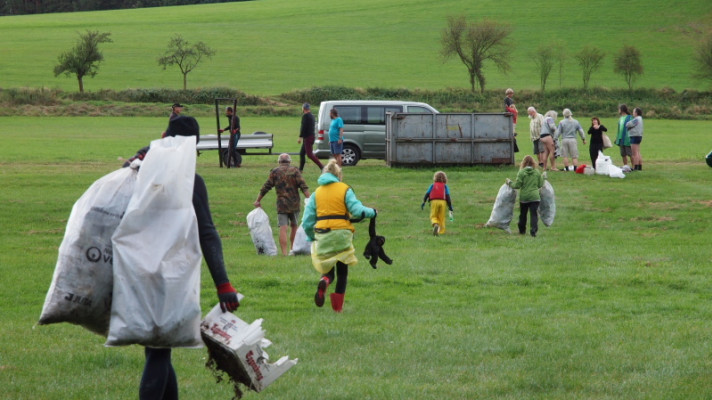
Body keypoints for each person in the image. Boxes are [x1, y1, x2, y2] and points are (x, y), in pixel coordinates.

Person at [124, 115, 241, 400]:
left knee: (158, 349)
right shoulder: (191, 183)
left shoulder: (135, 173)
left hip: (134, 274)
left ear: (163, 135)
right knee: (159, 352)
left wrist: (142, 155)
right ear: (194, 147)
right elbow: (208, 234)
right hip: (171, 279)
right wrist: (223, 284)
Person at [301, 159, 376, 312]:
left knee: (328, 270)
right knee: (342, 273)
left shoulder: (317, 193)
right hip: (342, 234)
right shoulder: (345, 189)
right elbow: (357, 210)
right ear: (339, 175)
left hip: (323, 234)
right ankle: (337, 308)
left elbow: (307, 221)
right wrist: (372, 212)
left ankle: (325, 280)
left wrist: (310, 236)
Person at [254, 153, 311, 256]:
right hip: (294, 204)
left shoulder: (275, 172)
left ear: (279, 162)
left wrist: (258, 200)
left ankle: (284, 253)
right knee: (294, 226)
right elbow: (303, 186)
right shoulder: (295, 171)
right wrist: (309, 199)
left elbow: (266, 187)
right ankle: (293, 250)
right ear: (289, 161)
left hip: (281, 204)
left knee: (283, 228)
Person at [506, 155, 544, 237]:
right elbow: (540, 184)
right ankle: (533, 231)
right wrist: (543, 178)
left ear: (523, 163)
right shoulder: (537, 172)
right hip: (535, 197)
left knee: (523, 214)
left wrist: (509, 183)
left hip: (524, 198)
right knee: (534, 215)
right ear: (533, 163)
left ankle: (522, 230)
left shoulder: (521, 172)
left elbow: (517, 185)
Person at [421, 171, 454, 236]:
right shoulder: (445, 186)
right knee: (441, 217)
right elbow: (448, 196)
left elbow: (427, 194)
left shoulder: (432, 185)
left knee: (433, 215)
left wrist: (424, 202)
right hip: (443, 202)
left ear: (435, 178)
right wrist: (450, 206)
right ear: (445, 179)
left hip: (434, 202)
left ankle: (435, 224)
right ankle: (440, 231)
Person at [298, 103, 324, 171]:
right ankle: (300, 169)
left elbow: (303, 127)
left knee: (309, 155)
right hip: (311, 137)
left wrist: (300, 137)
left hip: (308, 137)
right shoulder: (312, 116)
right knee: (302, 153)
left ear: (303, 108)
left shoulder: (305, 116)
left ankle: (322, 167)